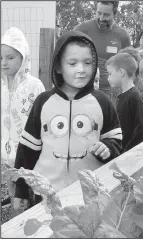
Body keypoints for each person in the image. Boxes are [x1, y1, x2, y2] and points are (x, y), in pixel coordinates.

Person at [13, 31, 122, 211]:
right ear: (58, 67)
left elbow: (116, 142)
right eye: (72, 63)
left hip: (90, 193)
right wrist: (21, 189)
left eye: (88, 63)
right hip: (46, 193)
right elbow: (27, 149)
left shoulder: (103, 102)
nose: (82, 69)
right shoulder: (43, 101)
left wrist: (108, 148)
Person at [1, 27, 45, 168]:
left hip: (25, 159)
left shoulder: (35, 86)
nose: (4, 63)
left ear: (23, 57)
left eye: (10, 57)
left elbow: (42, 122)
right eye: (1, 57)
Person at [74, 1, 131, 106]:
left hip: (112, 93)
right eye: (98, 13)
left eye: (106, 15)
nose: (101, 18)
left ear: (115, 13)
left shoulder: (122, 36)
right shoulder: (81, 30)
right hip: (83, 90)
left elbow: (129, 68)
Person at [106, 53, 143, 152]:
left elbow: (142, 128)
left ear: (121, 72)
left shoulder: (134, 97)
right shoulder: (122, 96)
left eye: (110, 74)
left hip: (131, 155)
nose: (108, 78)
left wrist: (127, 151)